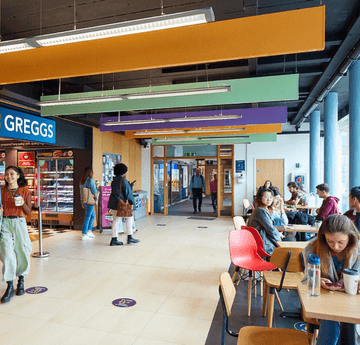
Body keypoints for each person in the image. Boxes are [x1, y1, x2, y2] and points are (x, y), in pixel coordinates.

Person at [303, 214, 360, 344]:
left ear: (350, 238)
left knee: (349, 319)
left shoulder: (358, 253)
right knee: (330, 317)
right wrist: (316, 281)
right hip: (324, 301)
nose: (335, 247)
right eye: (330, 241)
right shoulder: (312, 249)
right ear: (323, 238)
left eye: (341, 242)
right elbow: (305, 280)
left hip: (351, 302)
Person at [0, 166, 32, 303]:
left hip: (19, 222)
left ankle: (21, 280)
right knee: (6, 252)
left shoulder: (25, 191)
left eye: (12, 174)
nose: (9, 176)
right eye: (6, 174)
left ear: (18, 175)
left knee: (22, 250)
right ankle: (9, 285)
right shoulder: (1, 191)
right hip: (5, 222)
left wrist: (22, 203)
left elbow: (29, 211)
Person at [107, 163, 139, 246]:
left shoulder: (113, 181)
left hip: (114, 203)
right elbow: (128, 193)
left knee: (116, 221)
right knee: (129, 218)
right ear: (123, 171)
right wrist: (132, 203)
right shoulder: (123, 180)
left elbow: (117, 191)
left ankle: (114, 239)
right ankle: (130, 237)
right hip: (123, 204)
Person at [248, 188, 283, 255]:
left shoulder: (259, 210)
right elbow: (271, 230)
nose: (269, 199)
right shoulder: (261, 211)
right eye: (266, 197)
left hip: (260, 241)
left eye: (271, 197)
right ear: (260, 198)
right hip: (264, 244)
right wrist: (279, 238)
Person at [79, 167, 99, 241]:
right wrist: (97, 187)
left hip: (84, 201)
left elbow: (81, 193)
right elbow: (94, 191)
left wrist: (82, 202)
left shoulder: (81, 181)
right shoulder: (90, 180)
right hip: (90, 202)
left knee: (93, 215)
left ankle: (89, 231)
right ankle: (84, 234)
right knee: (87, 218)